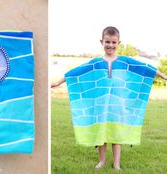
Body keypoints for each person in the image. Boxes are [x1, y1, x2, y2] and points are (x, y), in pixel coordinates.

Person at [51, 26, 167, 170]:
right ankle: (102, 161)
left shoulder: (125, 62)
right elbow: (76, 72)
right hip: (101, 105)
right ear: (102, 42)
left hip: (117, 107)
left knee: (116, 135)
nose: (110, 45)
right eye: (107, 42)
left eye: (113, 42)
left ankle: (117, 163)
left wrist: (163, 76)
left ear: (119, 43)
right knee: (102, 135)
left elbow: (145, 67)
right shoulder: (95, 64)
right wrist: (58, 82)